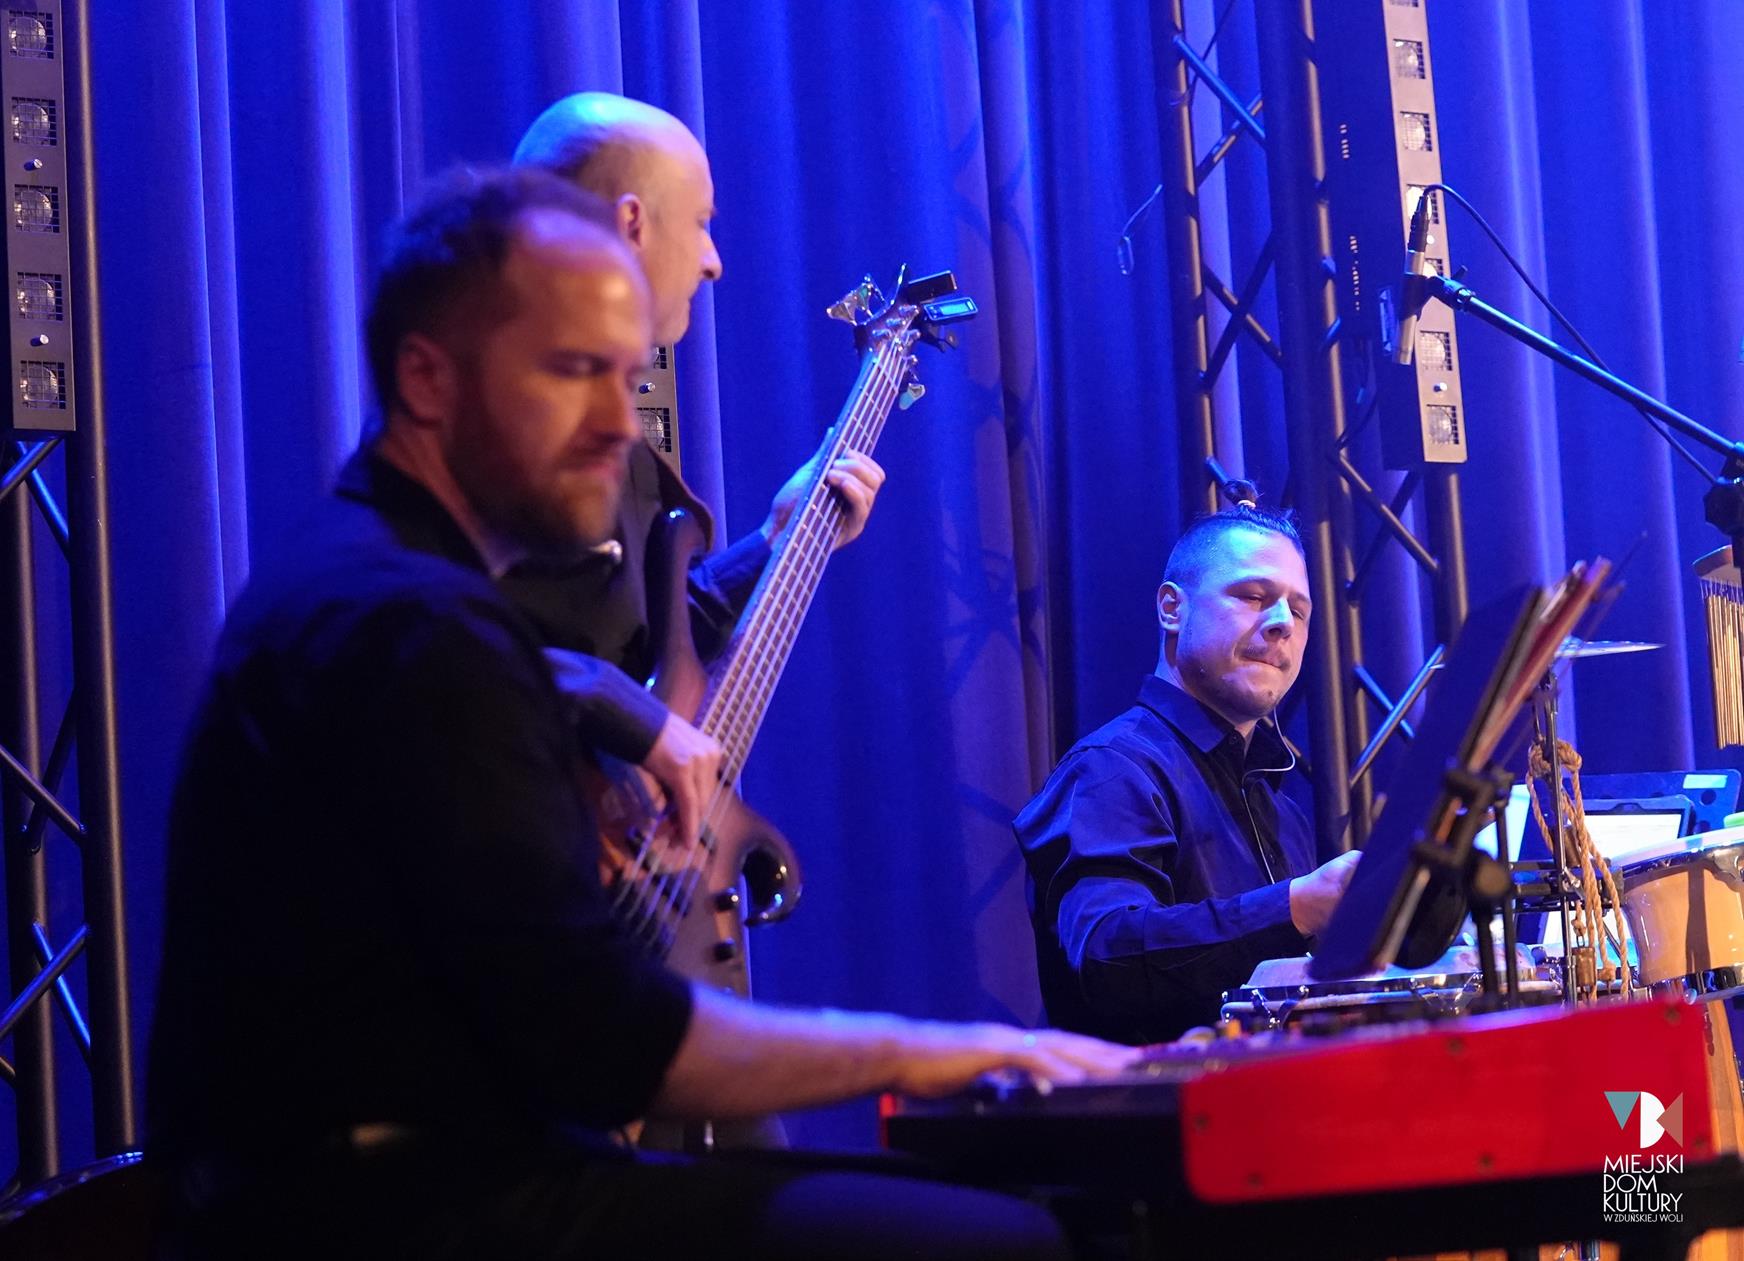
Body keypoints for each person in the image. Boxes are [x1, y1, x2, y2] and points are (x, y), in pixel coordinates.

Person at [146, 166, 1127, 1259]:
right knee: (1009, 1239)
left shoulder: (380, 575)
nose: (620, 424)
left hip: (429, 1174)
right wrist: (931, 1049)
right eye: (575, 373)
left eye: (624, 378)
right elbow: (605, 1038)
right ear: (426, 379)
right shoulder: (411, 625)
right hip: (393, 1211)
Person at [504, 91, 885, 849]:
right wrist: (626, 712)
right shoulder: (499, 424)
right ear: (631, 224)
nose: (714, 261)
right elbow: (434, 646)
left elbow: (658, 636)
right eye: (702, 222)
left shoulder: (615, 427)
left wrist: (774, 542)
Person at [1014, 507, 1361, 1045]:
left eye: (1299, 609)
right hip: (1153, 1097)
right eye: (1253, 596)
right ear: (1172, 609)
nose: (1283, 624)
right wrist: (1296, 906)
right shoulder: (1110, 769)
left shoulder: (1280, 809)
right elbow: (1106, 955)